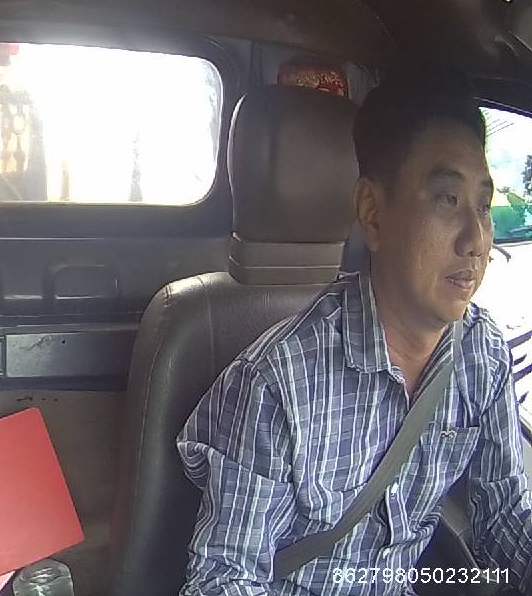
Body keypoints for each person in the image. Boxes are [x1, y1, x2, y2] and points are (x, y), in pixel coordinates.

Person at [177, 68, 532, 594]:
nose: (476, 240)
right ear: (373, 212)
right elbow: (225, 579)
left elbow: (503, 521)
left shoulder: (483, 355)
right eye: (447, 200)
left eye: (482, 205)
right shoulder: (277, 384)